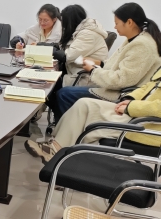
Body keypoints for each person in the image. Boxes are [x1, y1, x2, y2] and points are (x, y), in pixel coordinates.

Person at [26, 65, 161, 162]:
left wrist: (131, 107)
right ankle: (56, 147)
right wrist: (130, 98)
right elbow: (148, 87)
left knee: (88, 122)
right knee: (84, 104)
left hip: (148, 125)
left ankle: (60, 156)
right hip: (137, 111)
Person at [51, 2, 161, 119]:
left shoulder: (141, 45)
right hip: (116, 88)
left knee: (64, 94)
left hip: (123, 94)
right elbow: (116, 65)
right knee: (62, 91)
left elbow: (121, 80)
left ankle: (70, 127)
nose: (115, 27)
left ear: (129, 22)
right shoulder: (136, 40)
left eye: (117, 23)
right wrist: (99, 63)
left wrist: (92, 70)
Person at [55, 5, 108, 87]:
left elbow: (69, 56)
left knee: (51, 85)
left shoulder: (88, 34)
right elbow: (67, 48)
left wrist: (53, 52)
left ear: (69, 21)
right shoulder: (79, 32)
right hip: (77, 73)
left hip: (86, 78)